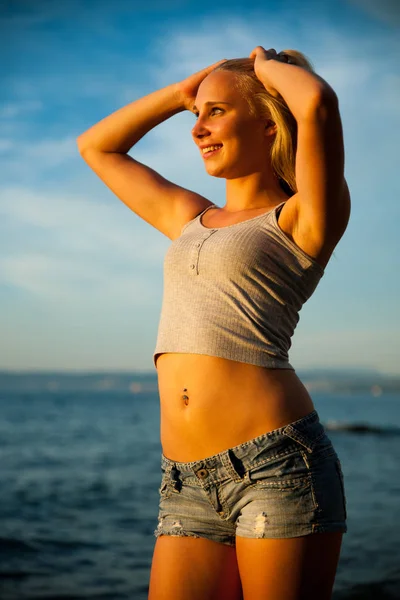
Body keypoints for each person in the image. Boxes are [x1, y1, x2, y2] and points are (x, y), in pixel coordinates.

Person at [77, 45, 351, 600]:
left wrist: (266, 69)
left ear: (269, 123)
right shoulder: (189, 218)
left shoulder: (303, 217)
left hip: (275, 465)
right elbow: (97, 147)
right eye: (196, 115)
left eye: (217, 112)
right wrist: (183, 93)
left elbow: (317, 101)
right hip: (185, 479)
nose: (197, 128)